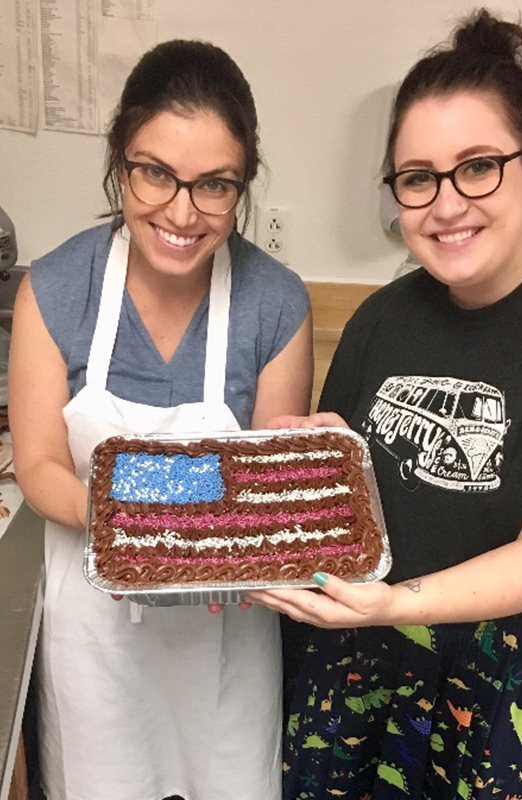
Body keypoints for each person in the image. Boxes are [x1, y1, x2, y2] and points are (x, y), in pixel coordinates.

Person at [246, 9, 522, 799]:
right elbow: (348, 510)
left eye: (478, 167)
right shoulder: (381, 318)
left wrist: (393, 602)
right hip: (356, 660)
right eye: (417, 178)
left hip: (497, 683)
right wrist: (323, 469)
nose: (445, 205)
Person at [9, 40, 313, 800]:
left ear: (242, 185)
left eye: (214, 184)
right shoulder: (54, 289)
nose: (182, 212)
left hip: (226, 624)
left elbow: (269, 477)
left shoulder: (275, 302)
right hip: (96, 625)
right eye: (155, 174)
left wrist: (205, 553)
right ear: (120, 159)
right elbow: (42, 462)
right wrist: (140, 534)